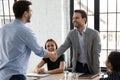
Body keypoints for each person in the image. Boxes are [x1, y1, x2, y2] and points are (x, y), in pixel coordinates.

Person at [0, 1, 56, 80]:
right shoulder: (25, 31)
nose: (31, 13)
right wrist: (52, 55)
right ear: (25, 13)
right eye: (31, 11)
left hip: (2, 75)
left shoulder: (3, 29)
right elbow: (39, 51)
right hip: (16, 76)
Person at [54, 9, 101, 74]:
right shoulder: (71, 33)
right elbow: (64, 46)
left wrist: (97, 72)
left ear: (84, 19)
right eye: (73, 18)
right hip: (77, 66)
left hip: (90, 67)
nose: (74, 20)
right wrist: (54, 55)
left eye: (77, 18)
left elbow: (96, 54)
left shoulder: (94, 34)